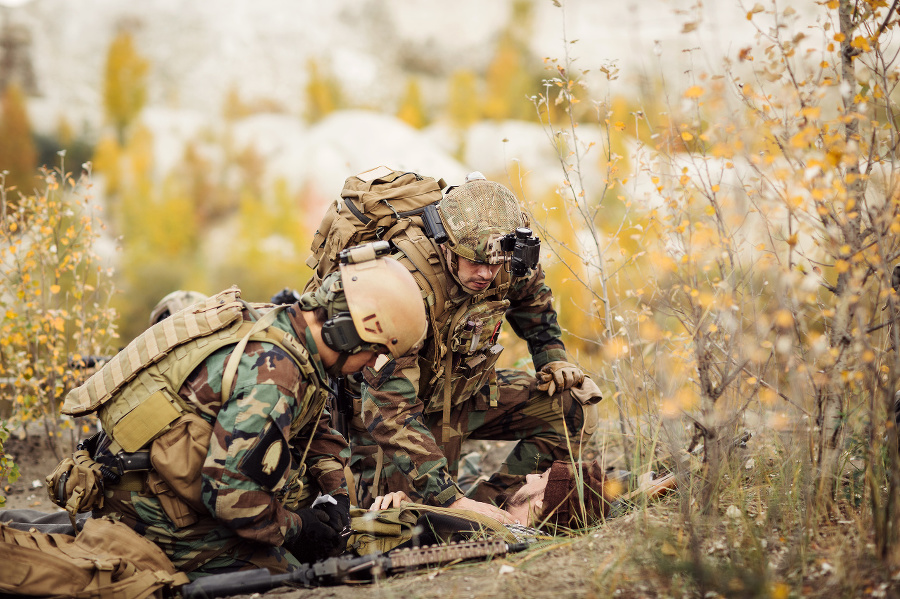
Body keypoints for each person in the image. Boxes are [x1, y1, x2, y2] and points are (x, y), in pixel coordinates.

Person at [51, 246, 427, 580]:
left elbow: (315, 424)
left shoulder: (284, 327)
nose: (371, 365)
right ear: (346, 334)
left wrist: (335, 496)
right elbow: (232, 498)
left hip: (175, 481)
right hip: (155, 512)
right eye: (374, 351)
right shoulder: (275, 375)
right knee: (295, 576)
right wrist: (299, 528)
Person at [347, 172, 603, 522]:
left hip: (463, 394)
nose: (486, 273)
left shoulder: (507, 256)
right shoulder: (405, 286)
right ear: (447, 245)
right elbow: (387, 406)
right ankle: (463, 512)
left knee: (571, 405)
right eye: (474, 262)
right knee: (404, 520)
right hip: (396, 415)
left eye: (493, 264)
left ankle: (499, 509)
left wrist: (554, 360)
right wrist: (448, 499)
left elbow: (534, 304)